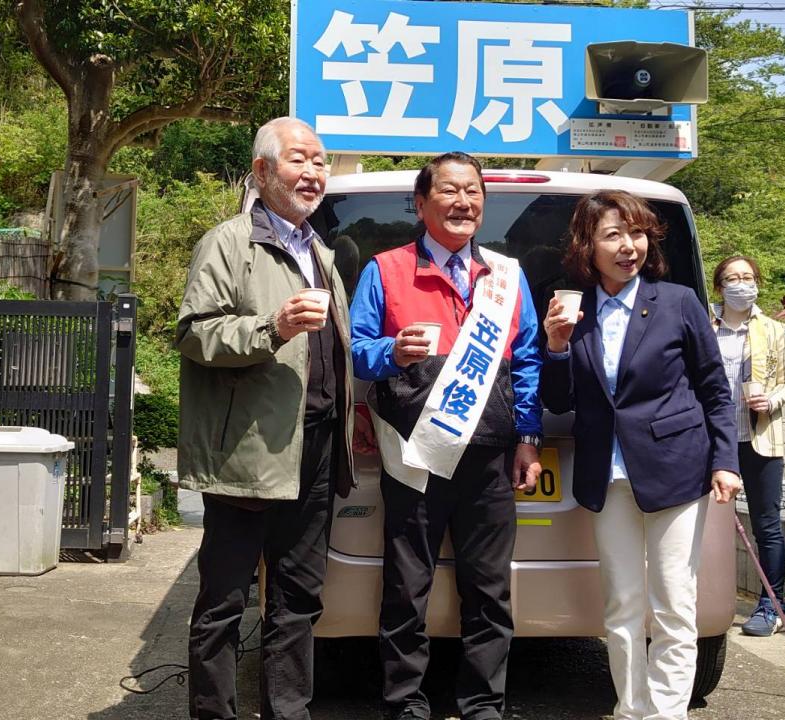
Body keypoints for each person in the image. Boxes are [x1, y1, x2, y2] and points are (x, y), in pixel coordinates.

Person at [349, 152, 543, 720]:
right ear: (420, 203)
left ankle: (483, 704)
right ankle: (405, 704)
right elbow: (355, 349)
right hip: (416, 458)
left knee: (489, 591)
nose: (464, 202)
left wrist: (528, 437)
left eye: (473, 191)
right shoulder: (385, 269)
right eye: (450, 191)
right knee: (406, 588)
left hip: (490, 459)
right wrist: (391, 351)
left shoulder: (506, 276)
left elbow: (527, 360)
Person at [175, 116, 354, 720]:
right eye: (299, 159)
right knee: (224, 601)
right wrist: (271, 327)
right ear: (262, 170)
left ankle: (288, 712)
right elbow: (195, 334)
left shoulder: (320, 252)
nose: (313, 173)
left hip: (317, 448)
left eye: (320, 161)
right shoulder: (228, 243)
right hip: (248, 453)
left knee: (298, 599)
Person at [540, 190, 741, 720]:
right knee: (622, 602)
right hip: (605, 475)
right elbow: (558, 401)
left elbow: (714, 389)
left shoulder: (678, 301)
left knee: (673, 600)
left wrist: (726, 461)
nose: (629, 246)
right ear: (587, 245)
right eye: (613, 235)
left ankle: (667, 712)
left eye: (637, 233)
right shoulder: (574, 309)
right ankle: (631, 708)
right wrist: (556, 347)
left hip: (677, 468)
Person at [710, 255, 785, 636]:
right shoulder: (703, 326)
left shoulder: (773, 330)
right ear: (719, 286)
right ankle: (704, 598)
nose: (742, 284)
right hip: (713, 441)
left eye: (748, 277)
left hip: (760, 438)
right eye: (733, 278)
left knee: (767, 525)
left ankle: (771, 606)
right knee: (704, 524)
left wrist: (770, 400)